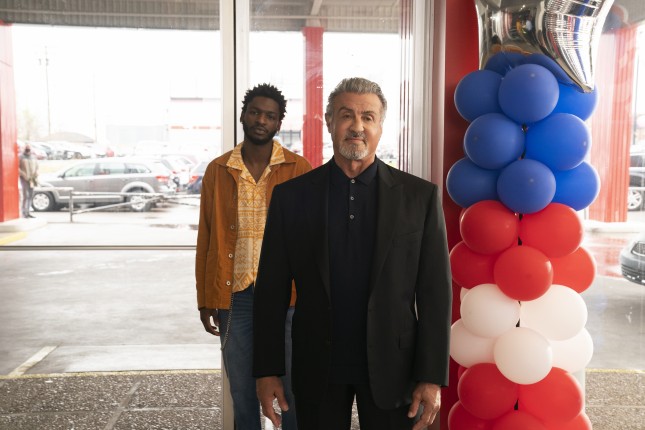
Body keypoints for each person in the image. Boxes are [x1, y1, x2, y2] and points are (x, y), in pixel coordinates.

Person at [253, 77, 452, 430]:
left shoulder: (419, 197)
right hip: (318, 364)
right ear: (329, 122)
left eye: (368, 117)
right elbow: (271, 290)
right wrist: (267, 371)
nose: (357, 126)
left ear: (380, 127)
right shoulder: (292, 197)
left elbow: (435, 294)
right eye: (346, 115)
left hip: (395, 366)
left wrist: (432, 375)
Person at [195, 83, 311, 430]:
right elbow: (206, 237)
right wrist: (205, 297)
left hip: (289, 297)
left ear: (279, 123)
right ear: (243, 116)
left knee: (292, 389)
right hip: (236, 296)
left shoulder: (298, 168)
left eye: (270, 116)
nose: (261, 120)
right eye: (255, 112)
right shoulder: (218, 169)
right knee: (242, 392)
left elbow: (313, 239)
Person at [19, 144, 39, 218]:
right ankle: (24, 212)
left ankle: (28, 211)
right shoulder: (20, 157)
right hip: (24, 179)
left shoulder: (33, 157)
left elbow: (37, 167)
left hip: (32, 179)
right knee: (25, 195)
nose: (28, 150)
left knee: (31, 195)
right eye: (26, 148)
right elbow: (18, 168)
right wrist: (23, 174)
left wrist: (36, 173)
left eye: (29, 148)